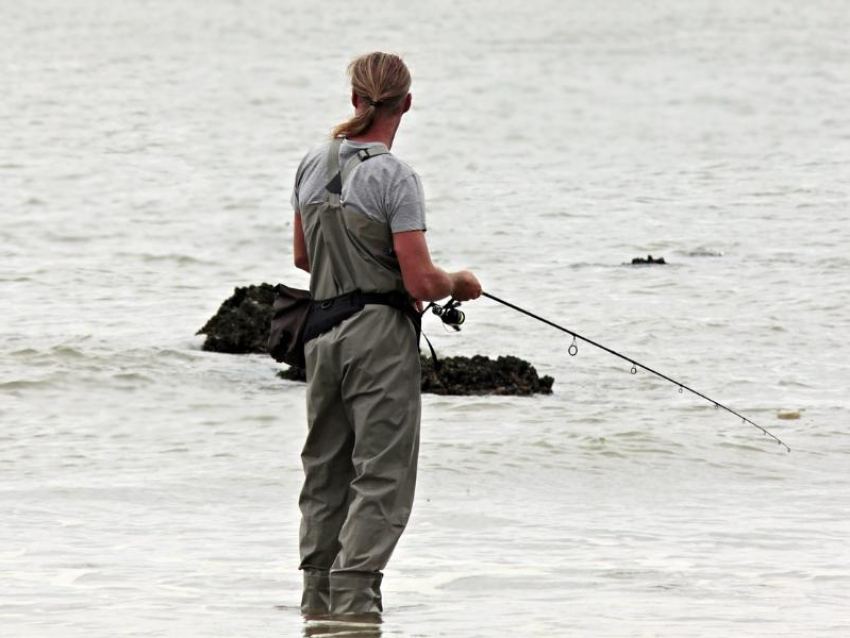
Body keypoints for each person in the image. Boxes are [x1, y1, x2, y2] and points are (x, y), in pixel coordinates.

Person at [290, 51, 482, 619]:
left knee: (325, 472)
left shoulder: (310, 163)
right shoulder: (394, 176)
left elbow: (304, 258)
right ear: (406, 104)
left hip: (320, 334)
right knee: (382, 476)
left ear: (355, 99)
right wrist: (461, 283)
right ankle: (353, 605)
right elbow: (422, 279)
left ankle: (316, 605)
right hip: (377, 338)